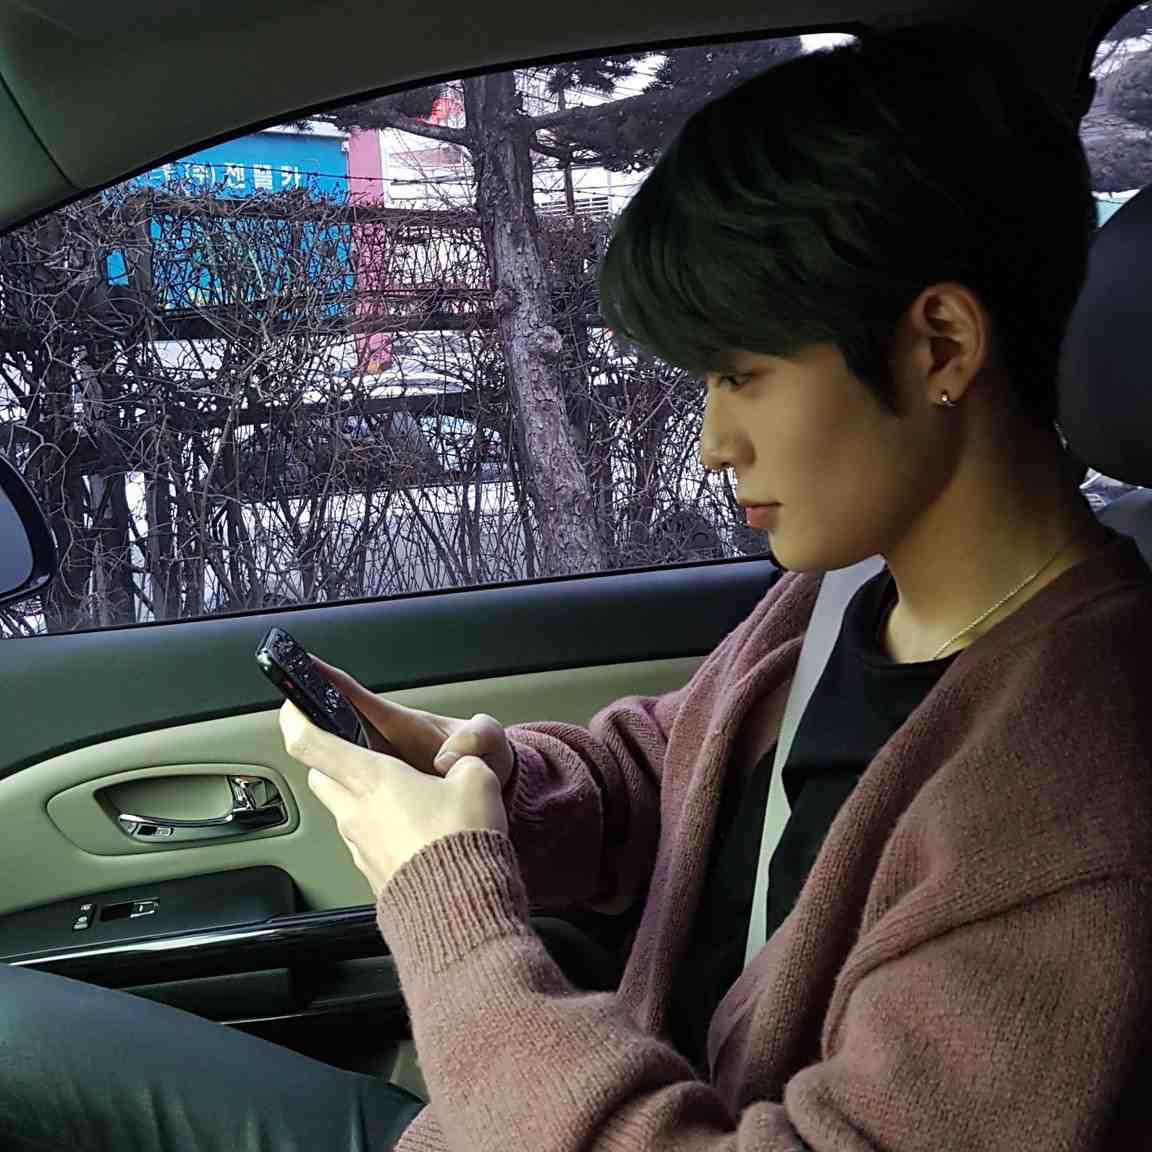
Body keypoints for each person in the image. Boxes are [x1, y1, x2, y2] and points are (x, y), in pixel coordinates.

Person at [4, 22, 1152, 1152]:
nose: (712, 443)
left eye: (743, 374)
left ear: (939, 345)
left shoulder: (1078, 801)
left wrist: (447, 899)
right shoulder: (850, 589)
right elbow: (675, 776)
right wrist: (494, 786)